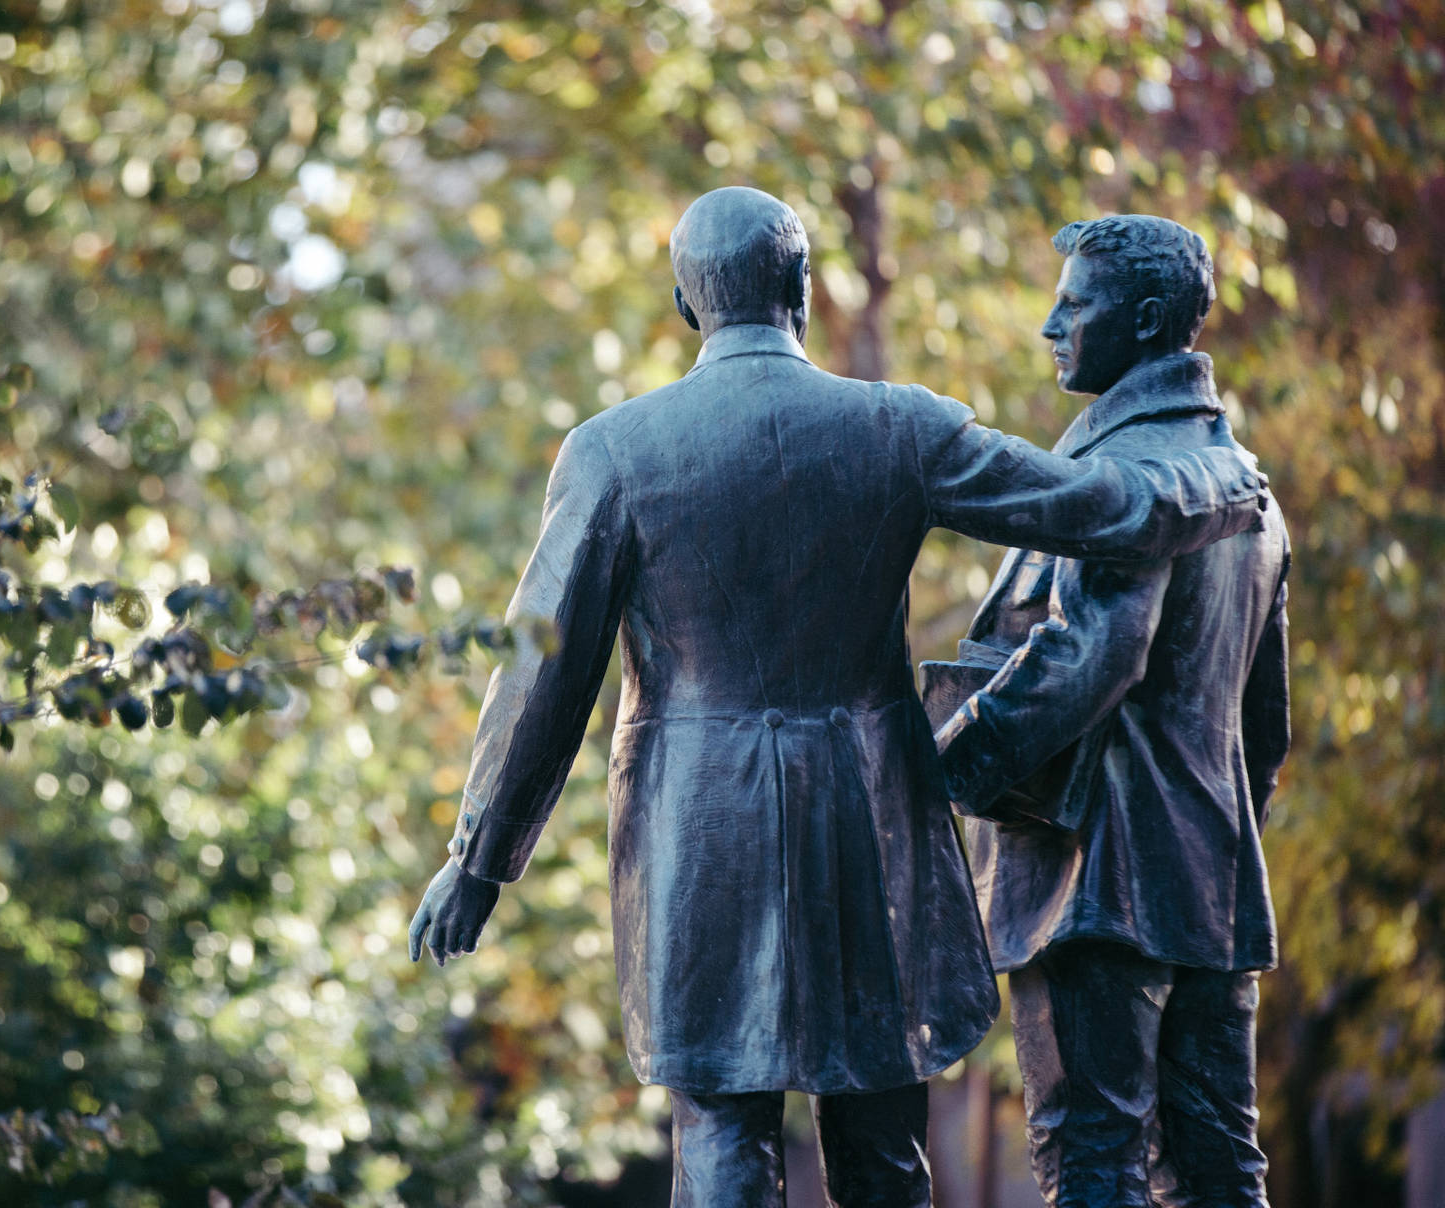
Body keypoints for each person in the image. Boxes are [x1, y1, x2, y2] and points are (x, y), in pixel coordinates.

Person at [406, 187, 1269, 1207]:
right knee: (880, 1129)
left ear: (688, 305)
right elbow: (1100, 506)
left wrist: (478, 857)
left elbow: (541, 670)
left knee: (723, 1121)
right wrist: (1219, 478)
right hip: (871, 820)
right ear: (804, 291)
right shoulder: (899, 427)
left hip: (699, 831)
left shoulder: (612, 452)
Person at [934, 214, 1288, 1208]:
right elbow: (1267, 730)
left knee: (1091, 1164)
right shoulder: (1248, 489)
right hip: (1210, 886)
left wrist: (939, 773)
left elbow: (1089, 655)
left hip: (1093, 889)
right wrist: (1212, 846)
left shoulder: (1123, 483)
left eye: (1073, 305)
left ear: (1139, 319)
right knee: (1219, 1168)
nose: (1050, 324)